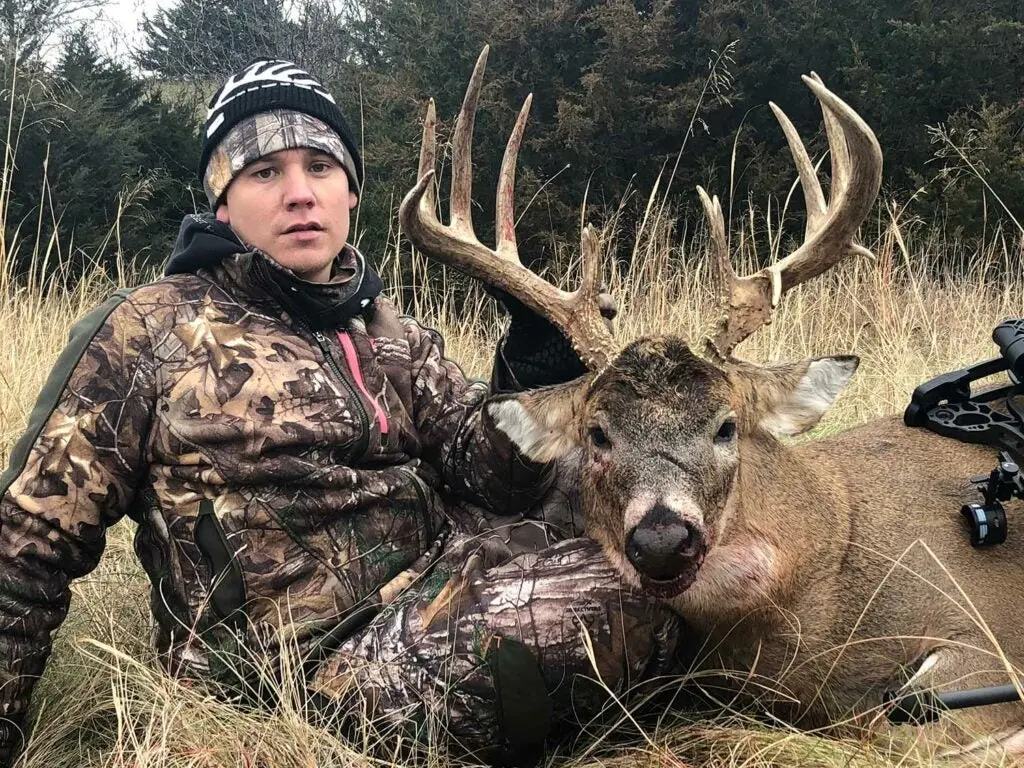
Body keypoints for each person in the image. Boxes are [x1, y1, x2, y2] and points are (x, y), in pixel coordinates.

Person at [0, 59, 680, 766]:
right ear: (221, 201)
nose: (300, 195)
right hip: (294, 679)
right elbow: (25, 548)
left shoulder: (391, 333)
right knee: (628, 591)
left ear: (351, 191)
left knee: (659, 533)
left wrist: (536, 368)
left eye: (321, 167)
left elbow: (490, 475)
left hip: (435, 603)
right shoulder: (148, 330)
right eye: (264, 172)